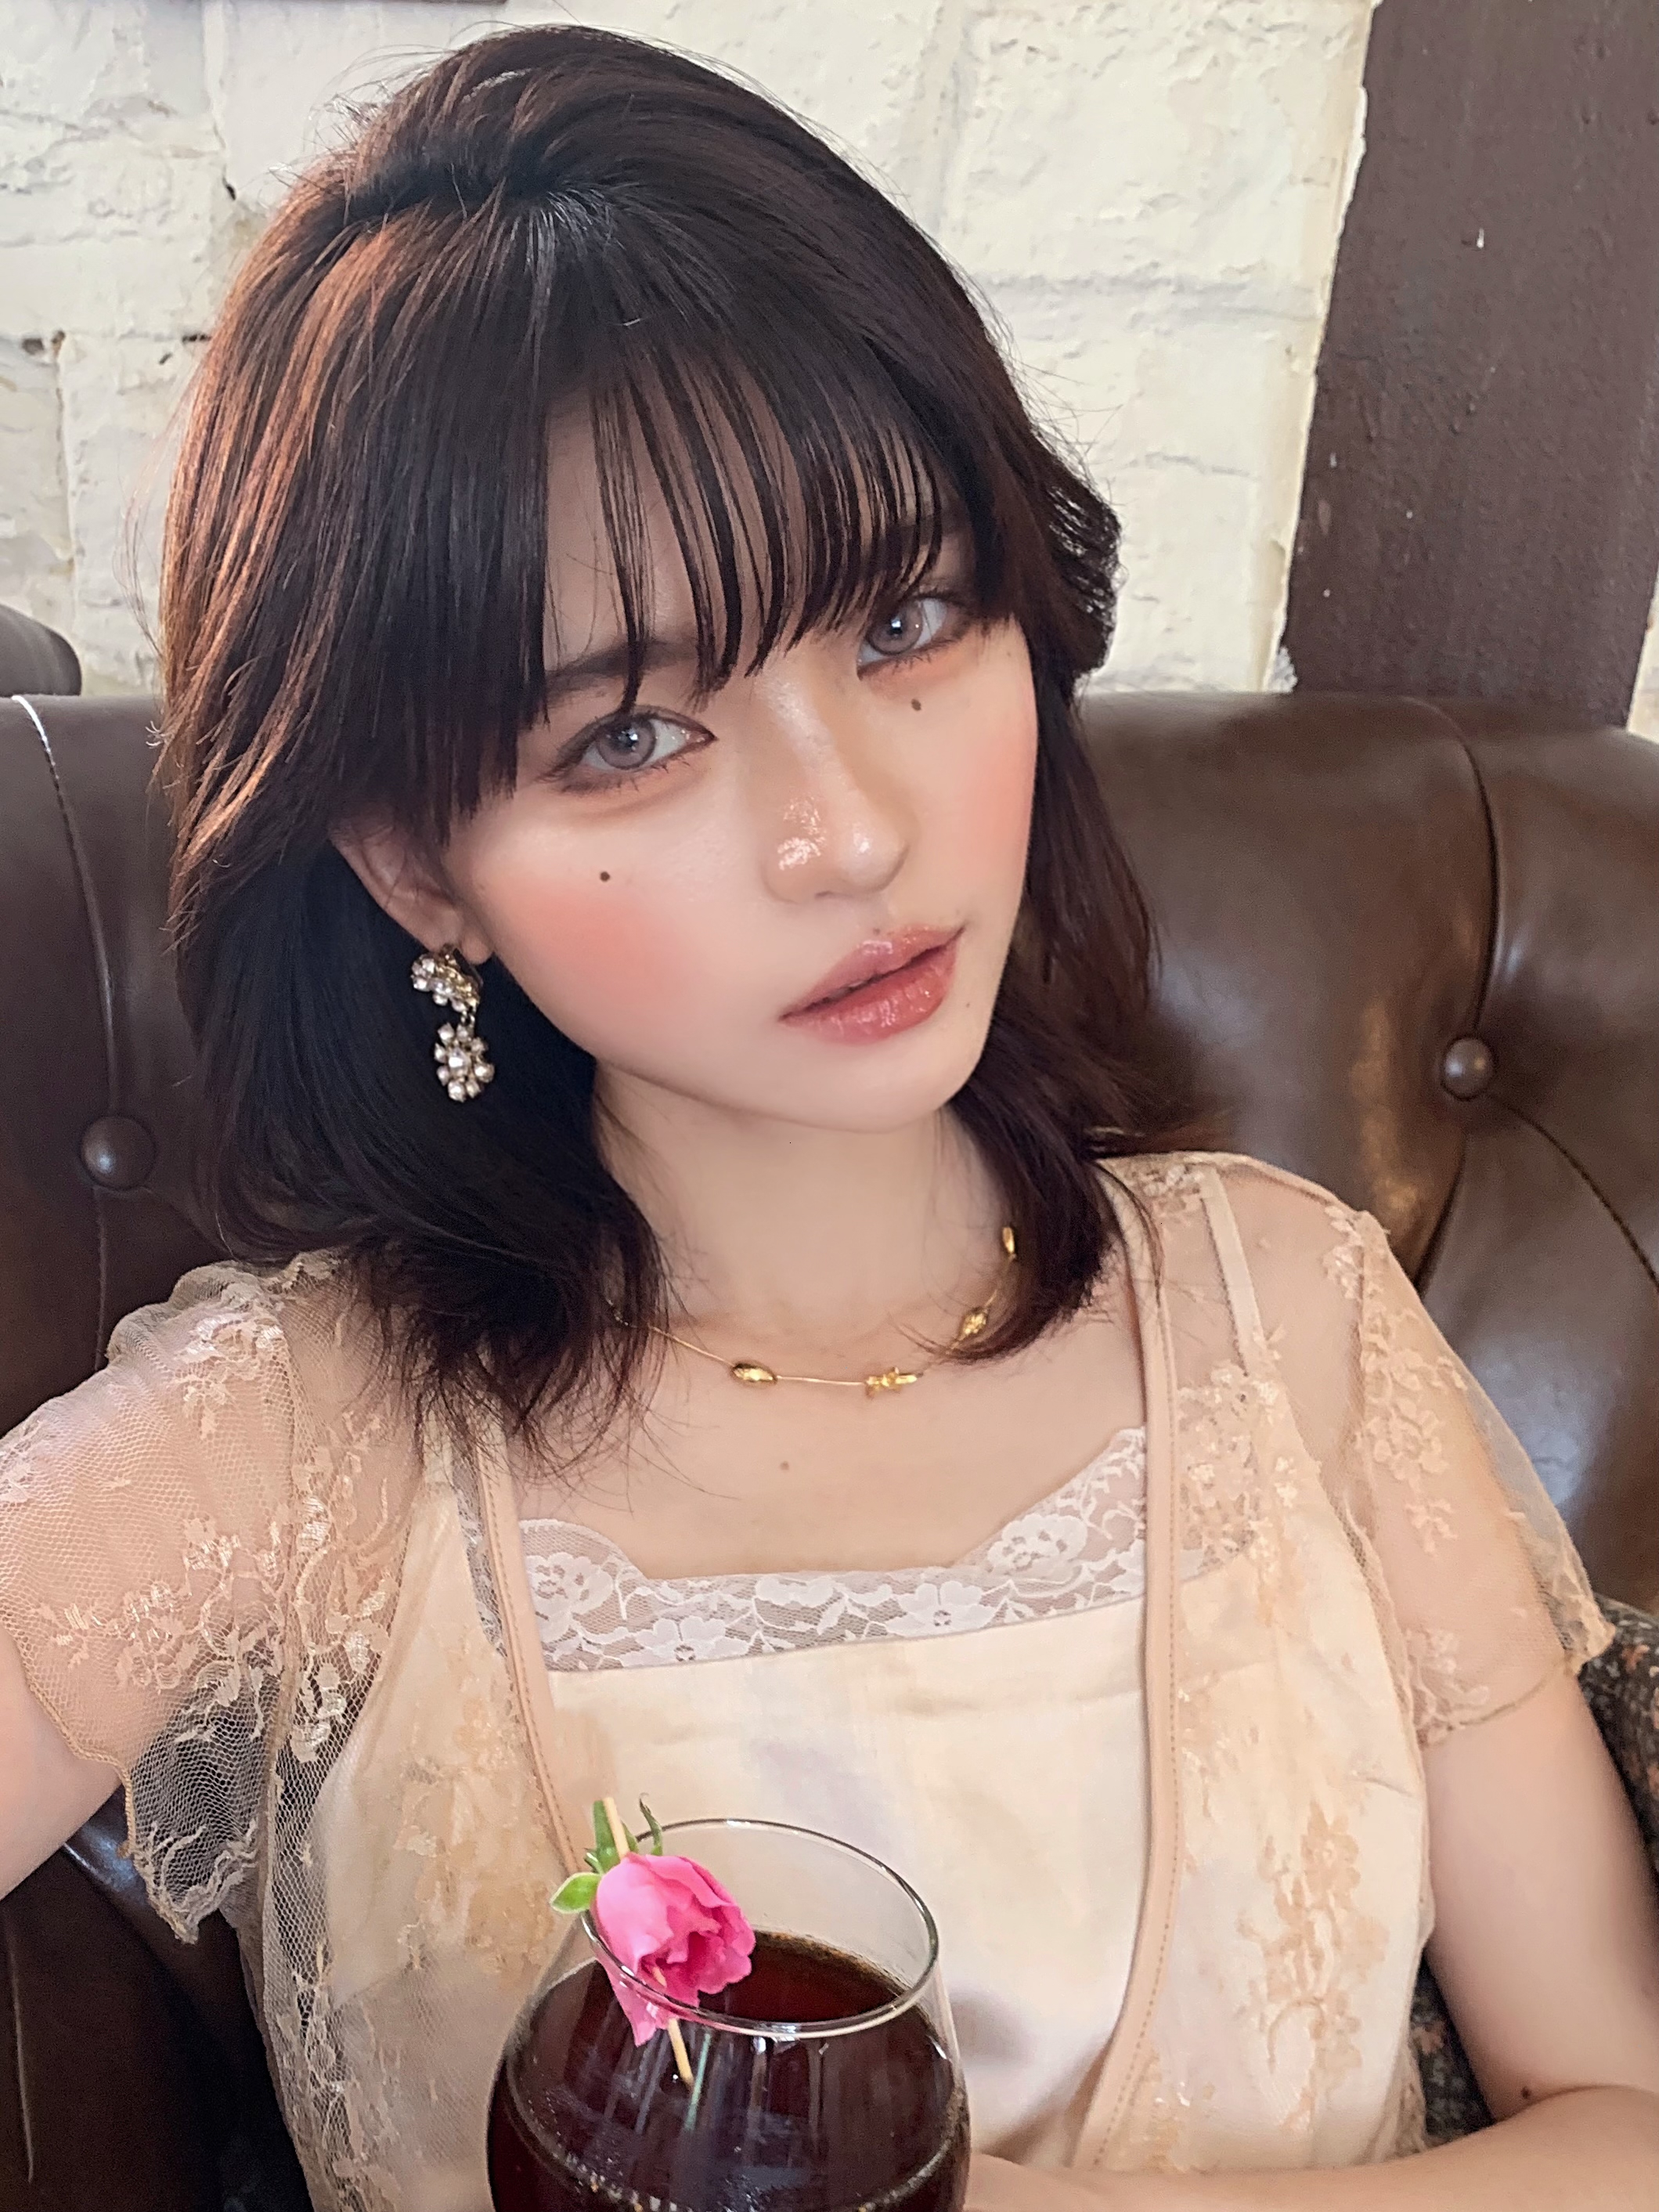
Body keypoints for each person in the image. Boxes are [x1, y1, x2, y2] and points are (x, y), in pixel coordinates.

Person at [2, 23, 1657, 2211]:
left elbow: (1623, 2121)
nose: (851, 829)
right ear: (415, 865)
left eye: (909, 617)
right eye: (632, 734)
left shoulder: (1300, 1322)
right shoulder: (295, 1432)